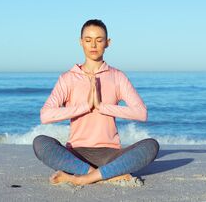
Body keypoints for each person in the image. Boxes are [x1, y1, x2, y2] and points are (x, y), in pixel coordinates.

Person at [33, 19, 159, 186]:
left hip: (110, 155)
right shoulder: (68, 78)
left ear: (107, 43)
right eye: (88, 40)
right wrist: (86, 106)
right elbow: (45, 115)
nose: (93, 45)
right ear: (81, 42)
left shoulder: (117, 77)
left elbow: (141, 113)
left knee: (151, 146)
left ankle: (83, 177)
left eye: (99, 40)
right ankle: (100, 174)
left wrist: (101, 107)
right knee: (40, 143)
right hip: (76, 154)